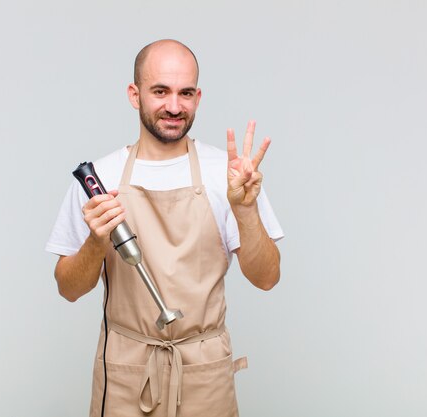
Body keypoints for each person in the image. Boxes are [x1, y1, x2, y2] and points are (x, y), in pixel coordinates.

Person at [46, 39, 284, 417]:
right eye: (161, 91)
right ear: (134, 94)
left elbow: (267, 277)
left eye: (185, 93)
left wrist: (246, 210)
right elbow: (68, 289)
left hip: (205, 373)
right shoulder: (100, 179)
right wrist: (96, 241)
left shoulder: (229, 175)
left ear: (198, 96)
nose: (174, 106)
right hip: (126, 375)